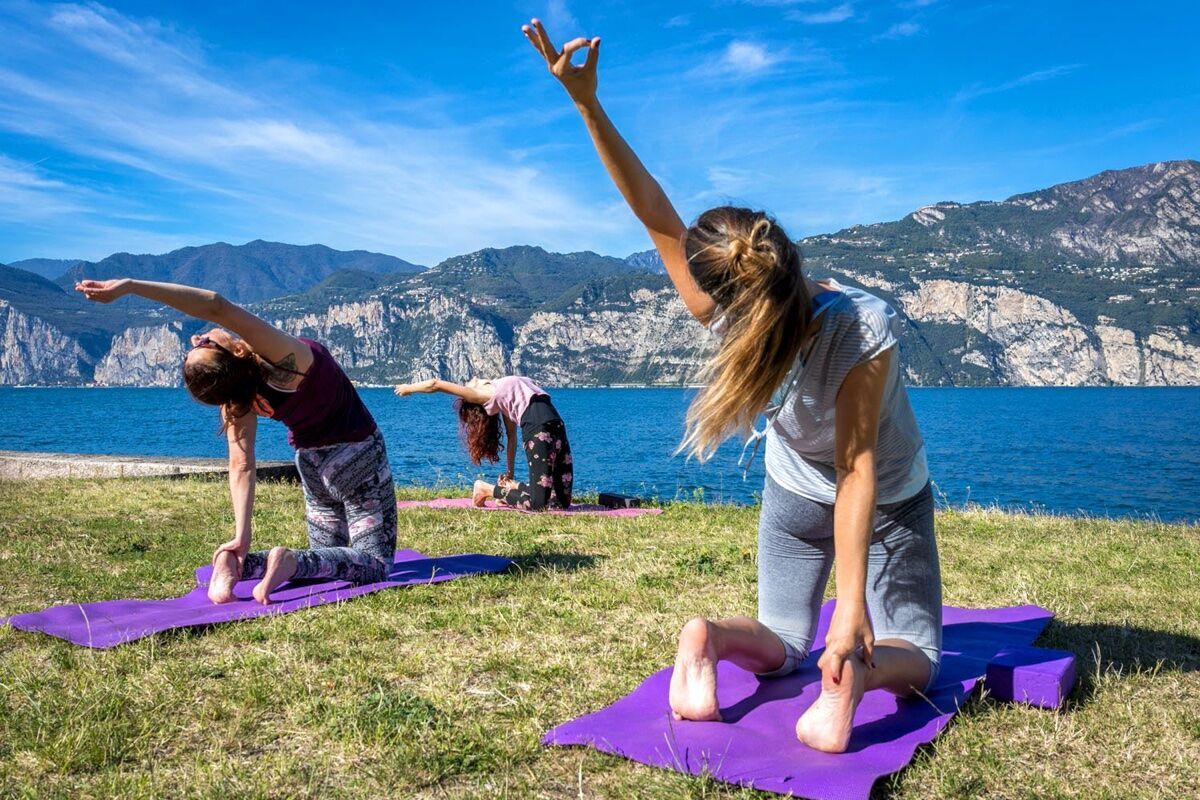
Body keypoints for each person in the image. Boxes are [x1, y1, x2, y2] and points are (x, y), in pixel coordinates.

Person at [522, 20, 941, 753]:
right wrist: (848, 618)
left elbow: (650, 209)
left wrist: (585, 103)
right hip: (885, 501)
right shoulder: (862, 326)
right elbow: (855, 469)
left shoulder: (718, 314)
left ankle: (707, 640)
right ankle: (852, 681)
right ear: (784, 251)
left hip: (790, 497)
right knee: (921, 660)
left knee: (781, 639)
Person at [76, 278, 396, 605]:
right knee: (375, 564)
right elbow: (217, 305)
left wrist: (241, 537)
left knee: (326, 560)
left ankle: (238, 566)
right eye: (204, 342)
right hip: (358, 458)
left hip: (312, 467)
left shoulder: (238, 399)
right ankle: (289, 561)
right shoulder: (283, 359)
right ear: (237, 349)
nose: (199, 335)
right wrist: (130, 286)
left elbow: (241, 465)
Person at [393, 376, 573, 511]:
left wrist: (510, 475)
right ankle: (485, 489)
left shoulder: (503, 394)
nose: (470, 380)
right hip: (538, 429)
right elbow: (436, 384)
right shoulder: (482, 394)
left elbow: (512, 437)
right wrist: (409, 388)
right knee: (538, 505)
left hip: (557, 425)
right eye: (467, 386)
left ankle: (512, 488)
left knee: (561, 502)